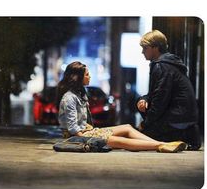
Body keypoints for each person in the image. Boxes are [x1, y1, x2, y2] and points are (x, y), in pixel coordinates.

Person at [56, 61, 186, 153]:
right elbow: (73, 128)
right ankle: (162, 145)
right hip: (77, 136)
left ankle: (161, 144)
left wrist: (94, 132)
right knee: (121, 141)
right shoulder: (69, 98)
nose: (89, 76)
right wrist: (90, 138)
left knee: (127, 128)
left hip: (87, 131)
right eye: (86, 74)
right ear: (77, 77)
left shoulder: (79, 94)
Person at [137, 30, 201, 150]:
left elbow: (160, 100)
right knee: (139, 102)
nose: (142, 52)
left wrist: (144, 125)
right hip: (183, 118)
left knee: (139, 139)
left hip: (176, 120)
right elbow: (155, 94)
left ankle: (182, 136)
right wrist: (144, 99)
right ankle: (182, 134)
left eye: (145, 48)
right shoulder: (166, 63)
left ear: (155, 48)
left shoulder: (162, 66)